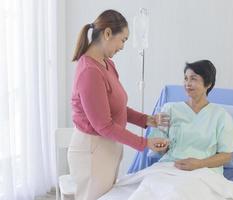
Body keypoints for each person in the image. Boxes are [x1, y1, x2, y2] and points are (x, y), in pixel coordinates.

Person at [67, 9, 169, 200]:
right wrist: (145, 143)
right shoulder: (90, 71)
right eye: (123, 39)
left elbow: (117, 109)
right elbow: (103, 125)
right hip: (93, 151)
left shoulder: (107, 64)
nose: (123, 46)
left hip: (107, 148)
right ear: (107, 34)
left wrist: (148, 120)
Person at [149, 60, 233, 175]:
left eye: (193, 79)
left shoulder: (221, 115)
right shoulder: (169, 109)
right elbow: (159, 148)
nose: (187, 83)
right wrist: (161, 146)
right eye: (186, 78)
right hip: (170, 167)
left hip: (204, 171)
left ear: (208, 84)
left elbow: (226, 156)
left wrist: (199, 164)